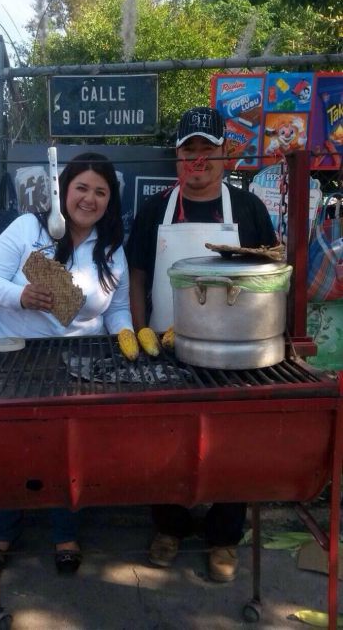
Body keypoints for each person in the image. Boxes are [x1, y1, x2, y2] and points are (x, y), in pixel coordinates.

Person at [126, 107, 277, 582]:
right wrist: (139, 328)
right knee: (163, 442)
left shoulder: (249, 209)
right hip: (165, 344)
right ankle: (169, 526)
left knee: (233, 444)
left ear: (225, 155)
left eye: (207, 150)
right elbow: (138, 274)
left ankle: (224, 536)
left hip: (234, 347)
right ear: (177, 158)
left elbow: (269, 270)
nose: (198, 160)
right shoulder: (155, 210)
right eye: (188, 150)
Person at [0, 152, 134, 574]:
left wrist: (126, 336)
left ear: (109, 200)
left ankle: (65, 531)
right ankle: (4, 528)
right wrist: (20, 296)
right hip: (16, 354)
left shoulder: (112, 246)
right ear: (64, 190)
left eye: (100, 192)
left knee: (70, 449)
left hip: (82, 359)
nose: (90, 198)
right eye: (81, 187)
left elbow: (116, 309)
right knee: (13, 446)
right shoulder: (29, 228)